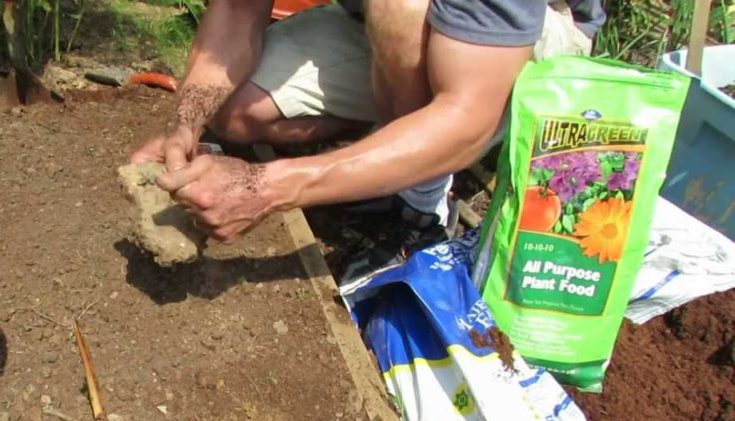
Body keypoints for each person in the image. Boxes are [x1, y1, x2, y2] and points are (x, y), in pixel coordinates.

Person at [130, 0, 605, 265]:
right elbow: (237, 13)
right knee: (235, 108)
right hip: (384, 21)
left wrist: (267, 187)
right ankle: (395, 133)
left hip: (516, 45)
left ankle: (418, 202)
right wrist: (185, 122)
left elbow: (467, 118)